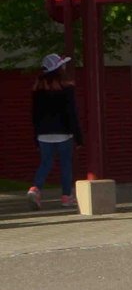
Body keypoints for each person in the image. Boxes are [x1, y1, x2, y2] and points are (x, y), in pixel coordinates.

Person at [27, 53, 83, 209]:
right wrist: (78, 136)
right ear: (59, 68)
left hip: (43, 134)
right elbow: (71, 112)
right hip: (64, 132)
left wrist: (36, 136)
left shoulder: (38, 88)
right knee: (65, 165)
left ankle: (35, 189)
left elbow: (35, 115)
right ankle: (66, 197)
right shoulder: (66, 86)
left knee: (45, 163)